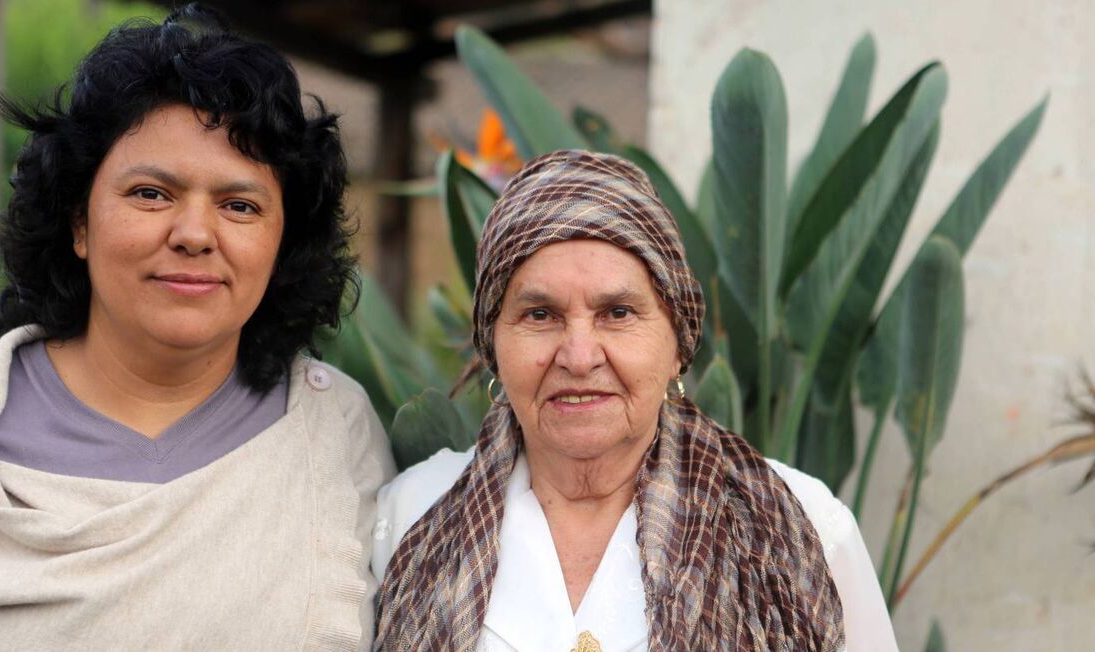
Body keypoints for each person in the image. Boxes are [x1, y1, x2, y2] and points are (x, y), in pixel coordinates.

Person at [0, 5, 394, 649]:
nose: (192, 235)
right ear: (78, 221)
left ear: (282, 244)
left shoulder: (335, 431)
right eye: (151, 194)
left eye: (239, 205)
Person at [371, 150, 897, 651]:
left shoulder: (802, 529)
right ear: (494, 344)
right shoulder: (412, 515)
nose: (578, 356)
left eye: (618, 312)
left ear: (677, 344)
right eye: (539, 314)